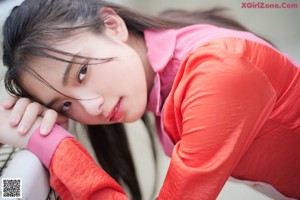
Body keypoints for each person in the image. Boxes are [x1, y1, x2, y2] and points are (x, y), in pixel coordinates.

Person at [0, 0, 299, 199]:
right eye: (65, 105)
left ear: (113, 26)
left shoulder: (214, 72)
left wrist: (51, 144)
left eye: (81, 72)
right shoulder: (166, 59)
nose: (90, 107)